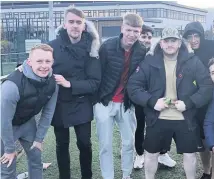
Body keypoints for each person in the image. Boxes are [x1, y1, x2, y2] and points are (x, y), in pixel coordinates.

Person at [127, 27, 214, 179]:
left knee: (190, 154)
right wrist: (152, 102)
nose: (169, 44)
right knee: (151, 154)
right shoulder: (149, 61)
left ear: (179, 43)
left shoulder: (192, 61)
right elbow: (133, 86)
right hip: (157, 117)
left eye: (173, 40)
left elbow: (207, 86)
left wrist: (189, 103)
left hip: (185, 118)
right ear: (160, 43)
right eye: (166, 41)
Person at [49, 6, 101, 179]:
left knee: (85, 143)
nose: (75, 26)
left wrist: (69, 83)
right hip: (59, 102)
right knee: (61, 144)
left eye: (79, 22)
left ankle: (87, 176)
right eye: (71, 22)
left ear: (84, 26)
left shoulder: (92, 48)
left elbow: (94, 83)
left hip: (82, 101)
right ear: (64, 24)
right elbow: (39, 65)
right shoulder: (52, 47)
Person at [94, 13, 147, 179]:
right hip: (105, 102)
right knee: (105, 145)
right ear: (122, 28)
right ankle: (108, 176)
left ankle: (126, 175)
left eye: (136, 31)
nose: (132, 34)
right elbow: (97, 74)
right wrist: (98, 99)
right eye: (129, 30)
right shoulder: (107, 46)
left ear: (140, 32)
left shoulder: (142, 50)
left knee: (128, 142)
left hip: (126, 103)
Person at [1, 44, 58, 179]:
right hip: (5, 125)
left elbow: (48, 113)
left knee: (36, 160)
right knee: (7, 167)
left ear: (52, 62)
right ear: (29, 62)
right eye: (39, 61)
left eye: (47, 61)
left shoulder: (53, 83)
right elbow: (3, 120)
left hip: (27, 123)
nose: (44, 65)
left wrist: (39, 139)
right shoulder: (11, 86)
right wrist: (9, 149)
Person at [183, 21, 214, 179]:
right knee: (202, 141)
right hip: (198, 103)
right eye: (190, 36)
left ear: (202, 36)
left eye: (197, 35)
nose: (193, 39)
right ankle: (207, 171)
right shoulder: (185, 52)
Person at [134, 24, 176, 169]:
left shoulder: (156, 53)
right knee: (139, 125)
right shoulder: (133, 52)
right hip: (140, 96)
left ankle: (163, 153)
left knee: (164, 123)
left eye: (149, 37)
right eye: (143, 36)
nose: (146, 40)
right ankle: (139, 154)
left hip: (159, 95)